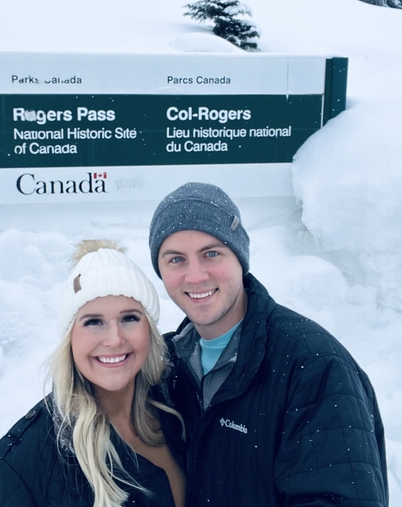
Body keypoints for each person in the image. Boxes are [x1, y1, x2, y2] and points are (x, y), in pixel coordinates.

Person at [149, 182, 388, 507]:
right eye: (176, 259)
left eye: (211, 253)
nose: (195, 276)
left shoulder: (313, 364)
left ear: (240, 258)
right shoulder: (166, 367)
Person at [0, 240, 185, 507]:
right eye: (94, 322)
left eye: (129, 318)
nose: (114, 339)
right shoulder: (14, 467)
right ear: (70, 337)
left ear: (150, 330)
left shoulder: (183, 406)